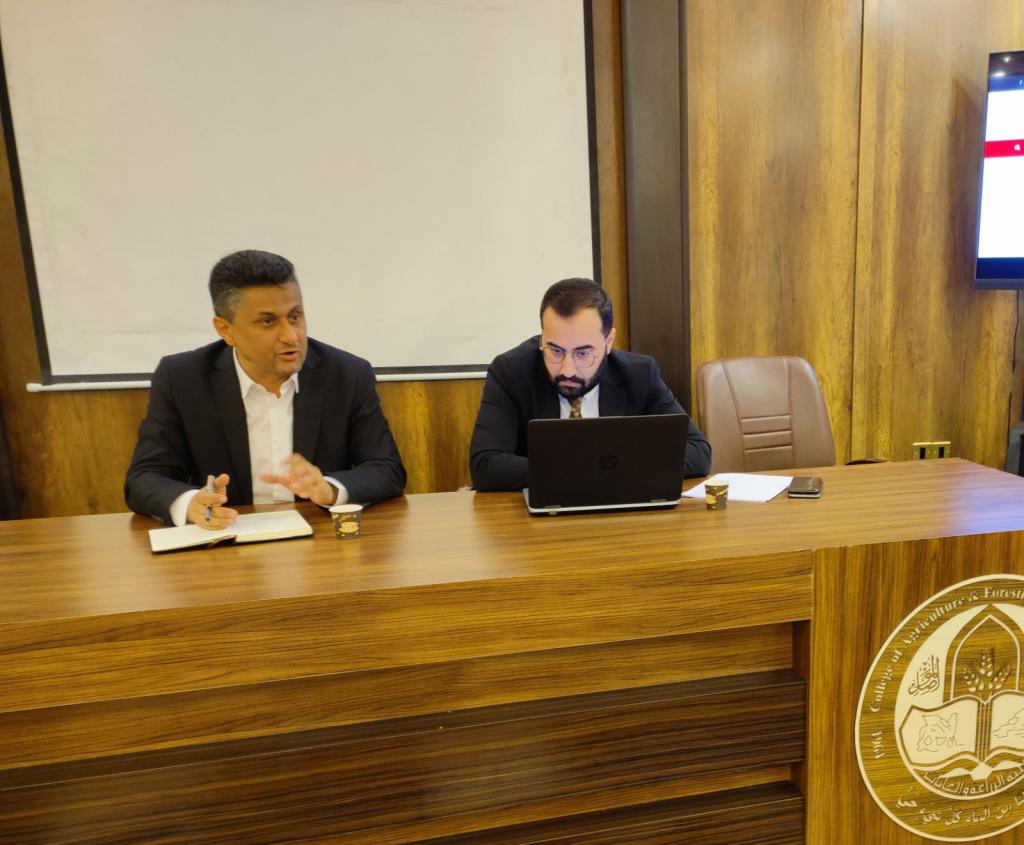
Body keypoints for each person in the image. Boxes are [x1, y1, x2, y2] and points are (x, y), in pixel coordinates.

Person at [125, 249, 405, 528]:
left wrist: (329, 489)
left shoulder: (347, 374)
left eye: (295, 316)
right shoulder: (183, 379)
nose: (291, 336)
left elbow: (386, 468)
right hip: (227, 538)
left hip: (320, 536)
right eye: (268, 321)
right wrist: (190, 504)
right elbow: (145, 477)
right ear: (225, 330)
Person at [469, 277, 710, 491]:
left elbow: (698, 453)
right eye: (555, 351)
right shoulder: (511, 373)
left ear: (608, 341)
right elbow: (485, 466)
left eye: (583, 353)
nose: (568, 369)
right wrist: (599, 468)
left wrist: (604, 470)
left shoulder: (639, 375)